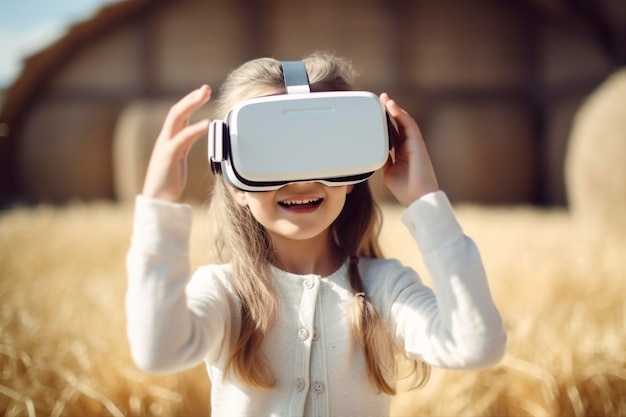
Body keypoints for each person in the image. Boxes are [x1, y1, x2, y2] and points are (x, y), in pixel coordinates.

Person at [125, 52, 507, 416]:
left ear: (355, 176)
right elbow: (159, 352)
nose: (302, 179)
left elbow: (476, 347)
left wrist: (424, 199)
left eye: (323, 152)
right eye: (270, 155)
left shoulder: (385, 289)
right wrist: (159, 207)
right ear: (235, 184)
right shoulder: (225, 293)